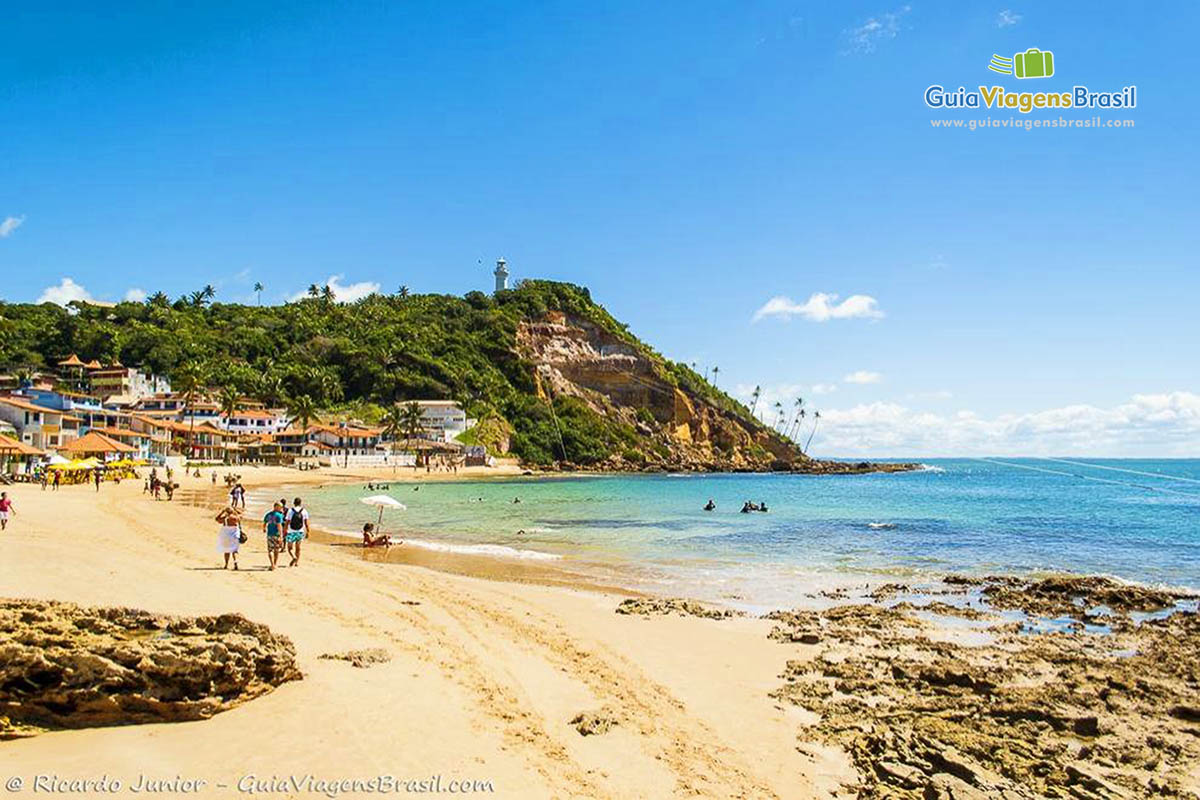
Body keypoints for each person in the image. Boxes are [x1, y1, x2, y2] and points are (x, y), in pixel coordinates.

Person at [284, 497, 309, 566]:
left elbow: (287, 522)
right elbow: (306, 523)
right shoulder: (304, 511)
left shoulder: (290, 511)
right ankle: (297, 562)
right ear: (300, 503)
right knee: (298, 548)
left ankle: (293, 557)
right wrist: (308, 532)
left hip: (291, 531)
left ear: (294, 503)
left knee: (289, 548)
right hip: (300, 531)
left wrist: (285, 531)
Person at [216, 506, 242, 570]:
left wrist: (222, 512)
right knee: (234, 551)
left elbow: (217, 519)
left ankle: (226, 564)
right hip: (234, 536)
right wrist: (236, 510)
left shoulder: (225, 519)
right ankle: (235, 563)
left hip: (226, 536)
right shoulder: (235, 518)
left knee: (227, 551)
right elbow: (241, 515)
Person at [262, 502, 286, 570]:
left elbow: (264, 522)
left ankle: (272, 564)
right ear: (276, 507)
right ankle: (274, 564)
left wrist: (264, 528)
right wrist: (281, 536)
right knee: (276, 550)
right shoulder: (278, 515)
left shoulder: (268, 514)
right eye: (280, 507)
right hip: (276, 534)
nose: (281, 508)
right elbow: (279, 526)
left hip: (269, 534)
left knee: (270, 550)